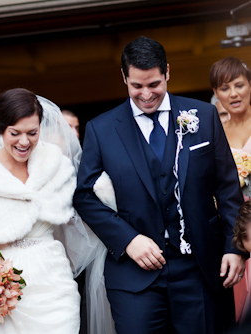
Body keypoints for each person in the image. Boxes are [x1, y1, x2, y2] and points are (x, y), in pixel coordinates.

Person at [74, 36, 247, 334]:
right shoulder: (101, 129)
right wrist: (128, 240)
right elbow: (85, 195)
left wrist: (235, 247)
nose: (146, 95)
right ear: (124, 77)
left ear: (167, 72)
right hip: (134, 275)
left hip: (201, 268)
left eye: (154, 84)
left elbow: (228, 188)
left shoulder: (202, 116)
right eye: (136, 86)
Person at [0, 88, 111, 334]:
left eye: (32, 133)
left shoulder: (57, 168)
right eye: (15, 133)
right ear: (0, 129)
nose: (24, 142)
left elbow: (76, 221)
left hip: (53, 281)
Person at [210, 57, 251, 322]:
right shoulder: (216, 134)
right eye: (224, 88)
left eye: (239, 85)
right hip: (236, 231)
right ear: (215, 94)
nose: (233, 94)